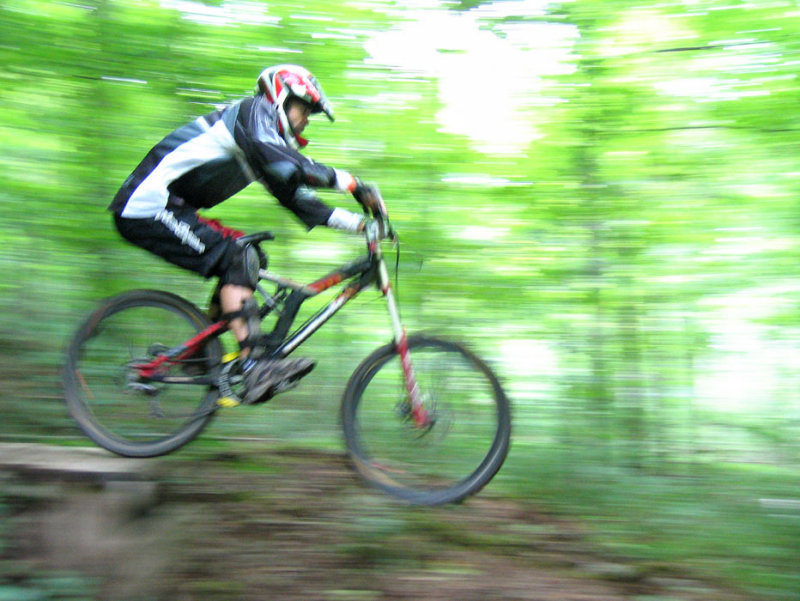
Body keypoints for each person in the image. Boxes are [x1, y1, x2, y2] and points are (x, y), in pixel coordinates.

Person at [108, 64, 384, 404]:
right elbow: (290, 164)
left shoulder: (260, 148)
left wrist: (360, 224)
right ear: (281, 98)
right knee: (237, 256)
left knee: (249, 255)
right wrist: (352, 183)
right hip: (146, 205)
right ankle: (253, 365)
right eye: (305, 110)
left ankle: (202, 351)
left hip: (169, 208)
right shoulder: (250, 114)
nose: (307, 121)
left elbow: (299, 201)